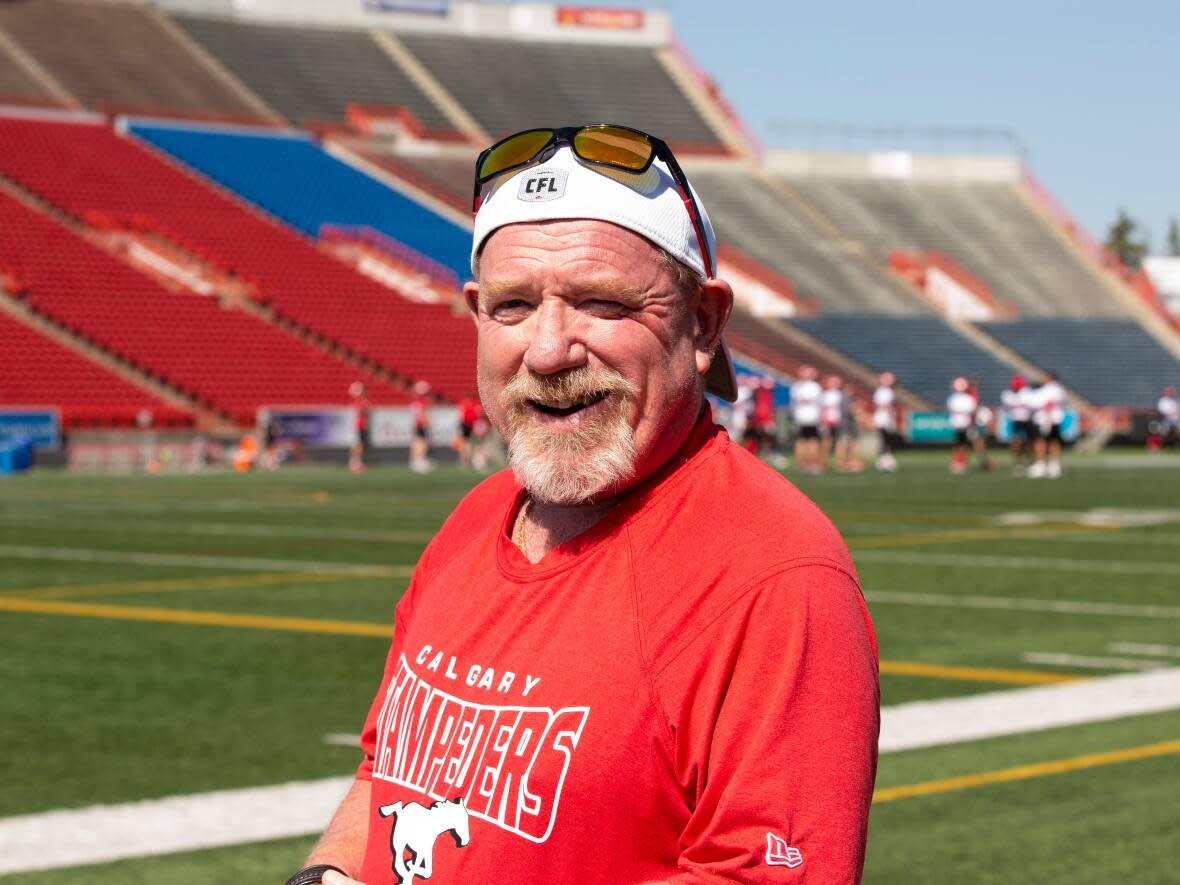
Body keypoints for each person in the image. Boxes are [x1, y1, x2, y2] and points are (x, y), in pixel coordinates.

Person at [291, 125, 878, 885]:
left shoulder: (775, 572)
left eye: (601, 301)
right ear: (476, 314)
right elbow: (386, 772)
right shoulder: (473, 519)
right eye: (513, 305)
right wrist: (326, 876)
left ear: (702, 321)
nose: (547, 349)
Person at [1029, 371, 1066, 478]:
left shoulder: (1055, 389)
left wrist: (1048, 417)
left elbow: (1048, 404)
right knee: (1041, 441)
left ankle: (1053, 465)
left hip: (1050, 419)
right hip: (1043, 419)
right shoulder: (1042, 389)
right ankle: (1042, 464)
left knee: (1051, 441)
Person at [790, 365, 823, 473]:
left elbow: (793, 404)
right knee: (812, 441)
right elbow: (820, 403)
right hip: (811, 418)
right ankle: (811, 464)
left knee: (801, 441)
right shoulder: (815, 387)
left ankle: (801, 464)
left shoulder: (796, 387)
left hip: (800, 418)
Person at [1001, 374, 1033, 473]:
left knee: (1029, 442)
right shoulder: (1007, 394)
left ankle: (1031, 460)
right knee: (1015, 442)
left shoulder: (1027, 393)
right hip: (1015, 420)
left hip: (1027, 419)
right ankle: (1017, 461)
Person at [947, 376, 976, 474]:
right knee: (960, 444)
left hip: (964, 424)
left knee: (961, 444)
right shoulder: (965, 398)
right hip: (960, 424)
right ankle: (958, 462)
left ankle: (961, 462)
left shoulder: (964, 398)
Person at [872, 371, 899, 472]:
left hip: (884, 417)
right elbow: (884, 405)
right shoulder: (884, 391)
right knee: (886, 439)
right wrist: (891, 418)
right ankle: (885, 459)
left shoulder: (885, 391)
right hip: (884, 418)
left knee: (886, 439)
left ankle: (886, 458)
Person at [408, 381, 433, 473]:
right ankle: (419, 461)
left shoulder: (416, 401)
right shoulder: (422, 401)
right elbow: (422, 414)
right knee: (422, 443)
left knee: (417, 442)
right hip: (420, 424)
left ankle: (415, 461)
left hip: (417, 424)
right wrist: (426, 422)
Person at [349, 382, 371, 474]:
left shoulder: (359, 401)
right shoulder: (361, 401)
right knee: (359, 445)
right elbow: (363, 412)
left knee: (359, 444)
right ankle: (356, 463)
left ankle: (356, 462)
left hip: (359, 425)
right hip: (360, 426)